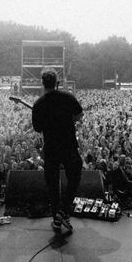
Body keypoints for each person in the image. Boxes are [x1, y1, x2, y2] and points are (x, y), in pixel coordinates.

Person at [32, 69, 83, 232]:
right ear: (57, 83)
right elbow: (79, 115)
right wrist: (67, 119)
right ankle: (64, 210)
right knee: (75, 177)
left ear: (42, 84)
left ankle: (57, 216)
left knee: (52, 184)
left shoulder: (38, 104)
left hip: (51, 148)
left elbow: (37, 128)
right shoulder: (68, 97)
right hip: (68, 145)